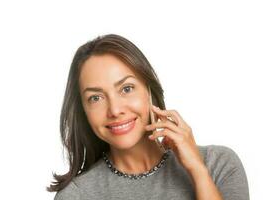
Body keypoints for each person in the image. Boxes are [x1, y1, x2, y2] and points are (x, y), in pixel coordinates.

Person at [47, 34, 249, 200]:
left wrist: (198, 171)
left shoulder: (218, 164)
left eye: (126, 88)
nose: (115, 110)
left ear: (149, 91)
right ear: (83, 111)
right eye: (96, 97)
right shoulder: (76, 195)